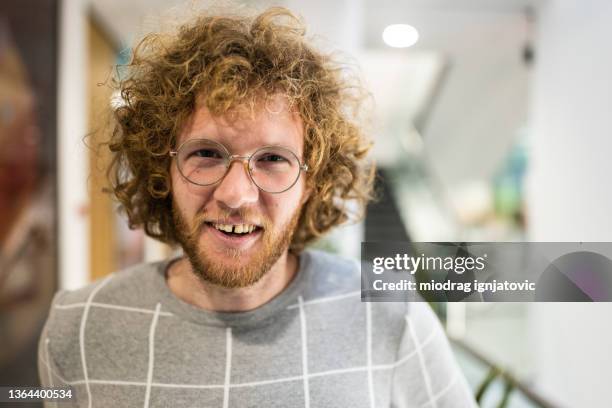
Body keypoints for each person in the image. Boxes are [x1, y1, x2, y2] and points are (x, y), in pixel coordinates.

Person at [38, 7, 477, 407]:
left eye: (272, 160)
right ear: (162, 169)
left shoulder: (392, 318)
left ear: (312, 183)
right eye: (206, 154)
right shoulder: (78, 328)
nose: (235, 195)